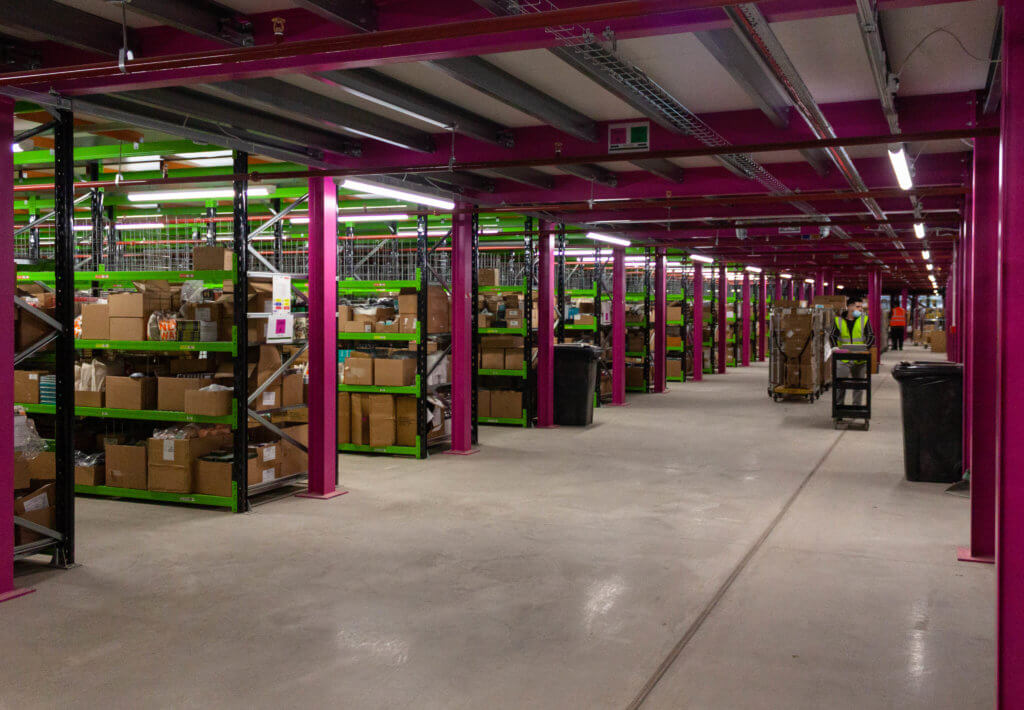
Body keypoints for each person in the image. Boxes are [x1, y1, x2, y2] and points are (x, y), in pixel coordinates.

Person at [830, 301, 874, 406]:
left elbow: (871, 336)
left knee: (859, 385)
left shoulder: (864, 319)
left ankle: (856, 408)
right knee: (840, 385)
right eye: (857, 306)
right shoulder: (838, 320)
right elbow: (832, 336)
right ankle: (839, 409)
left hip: (860, 358)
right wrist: (835, 348)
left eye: (861, 307)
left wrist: (865, 349)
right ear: (849, 307)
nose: (860, 309)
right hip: (843, 358)